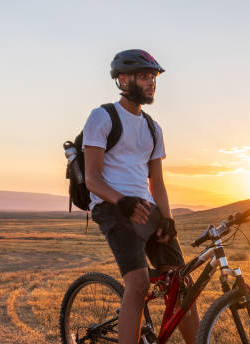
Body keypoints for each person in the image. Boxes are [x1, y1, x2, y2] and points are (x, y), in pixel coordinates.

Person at [82, 49, 199, 344]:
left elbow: (156, 181)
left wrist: (168, 218)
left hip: (145, 207)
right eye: (144, 76)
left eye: (153, 77)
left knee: (181, 284)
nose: (151, 83)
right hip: (112, 206)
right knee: (138, 283)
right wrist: (122, 201)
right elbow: (92, 179)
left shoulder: (153, 128)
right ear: (123, 80)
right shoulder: (102, 117)